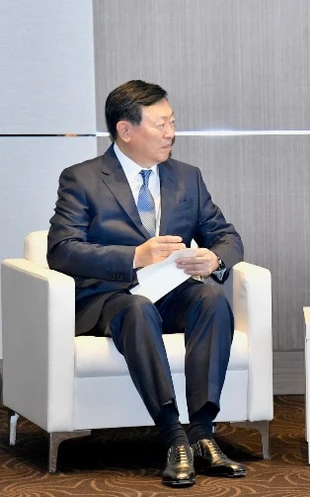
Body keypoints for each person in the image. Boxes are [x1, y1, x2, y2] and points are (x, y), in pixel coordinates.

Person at [47, 80, 246, 488]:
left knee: (210, 296)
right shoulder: (82, 179)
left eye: (172, 122)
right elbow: (62, 250)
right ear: (125, 130)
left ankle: (202, 433)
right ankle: (173, 436)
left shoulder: (187, 178)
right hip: (111, 299)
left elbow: (226, 236)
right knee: (137, 308)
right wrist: (135, 256)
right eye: (160, 124)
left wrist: (214, 258)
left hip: (170, 294)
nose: (171, 132)